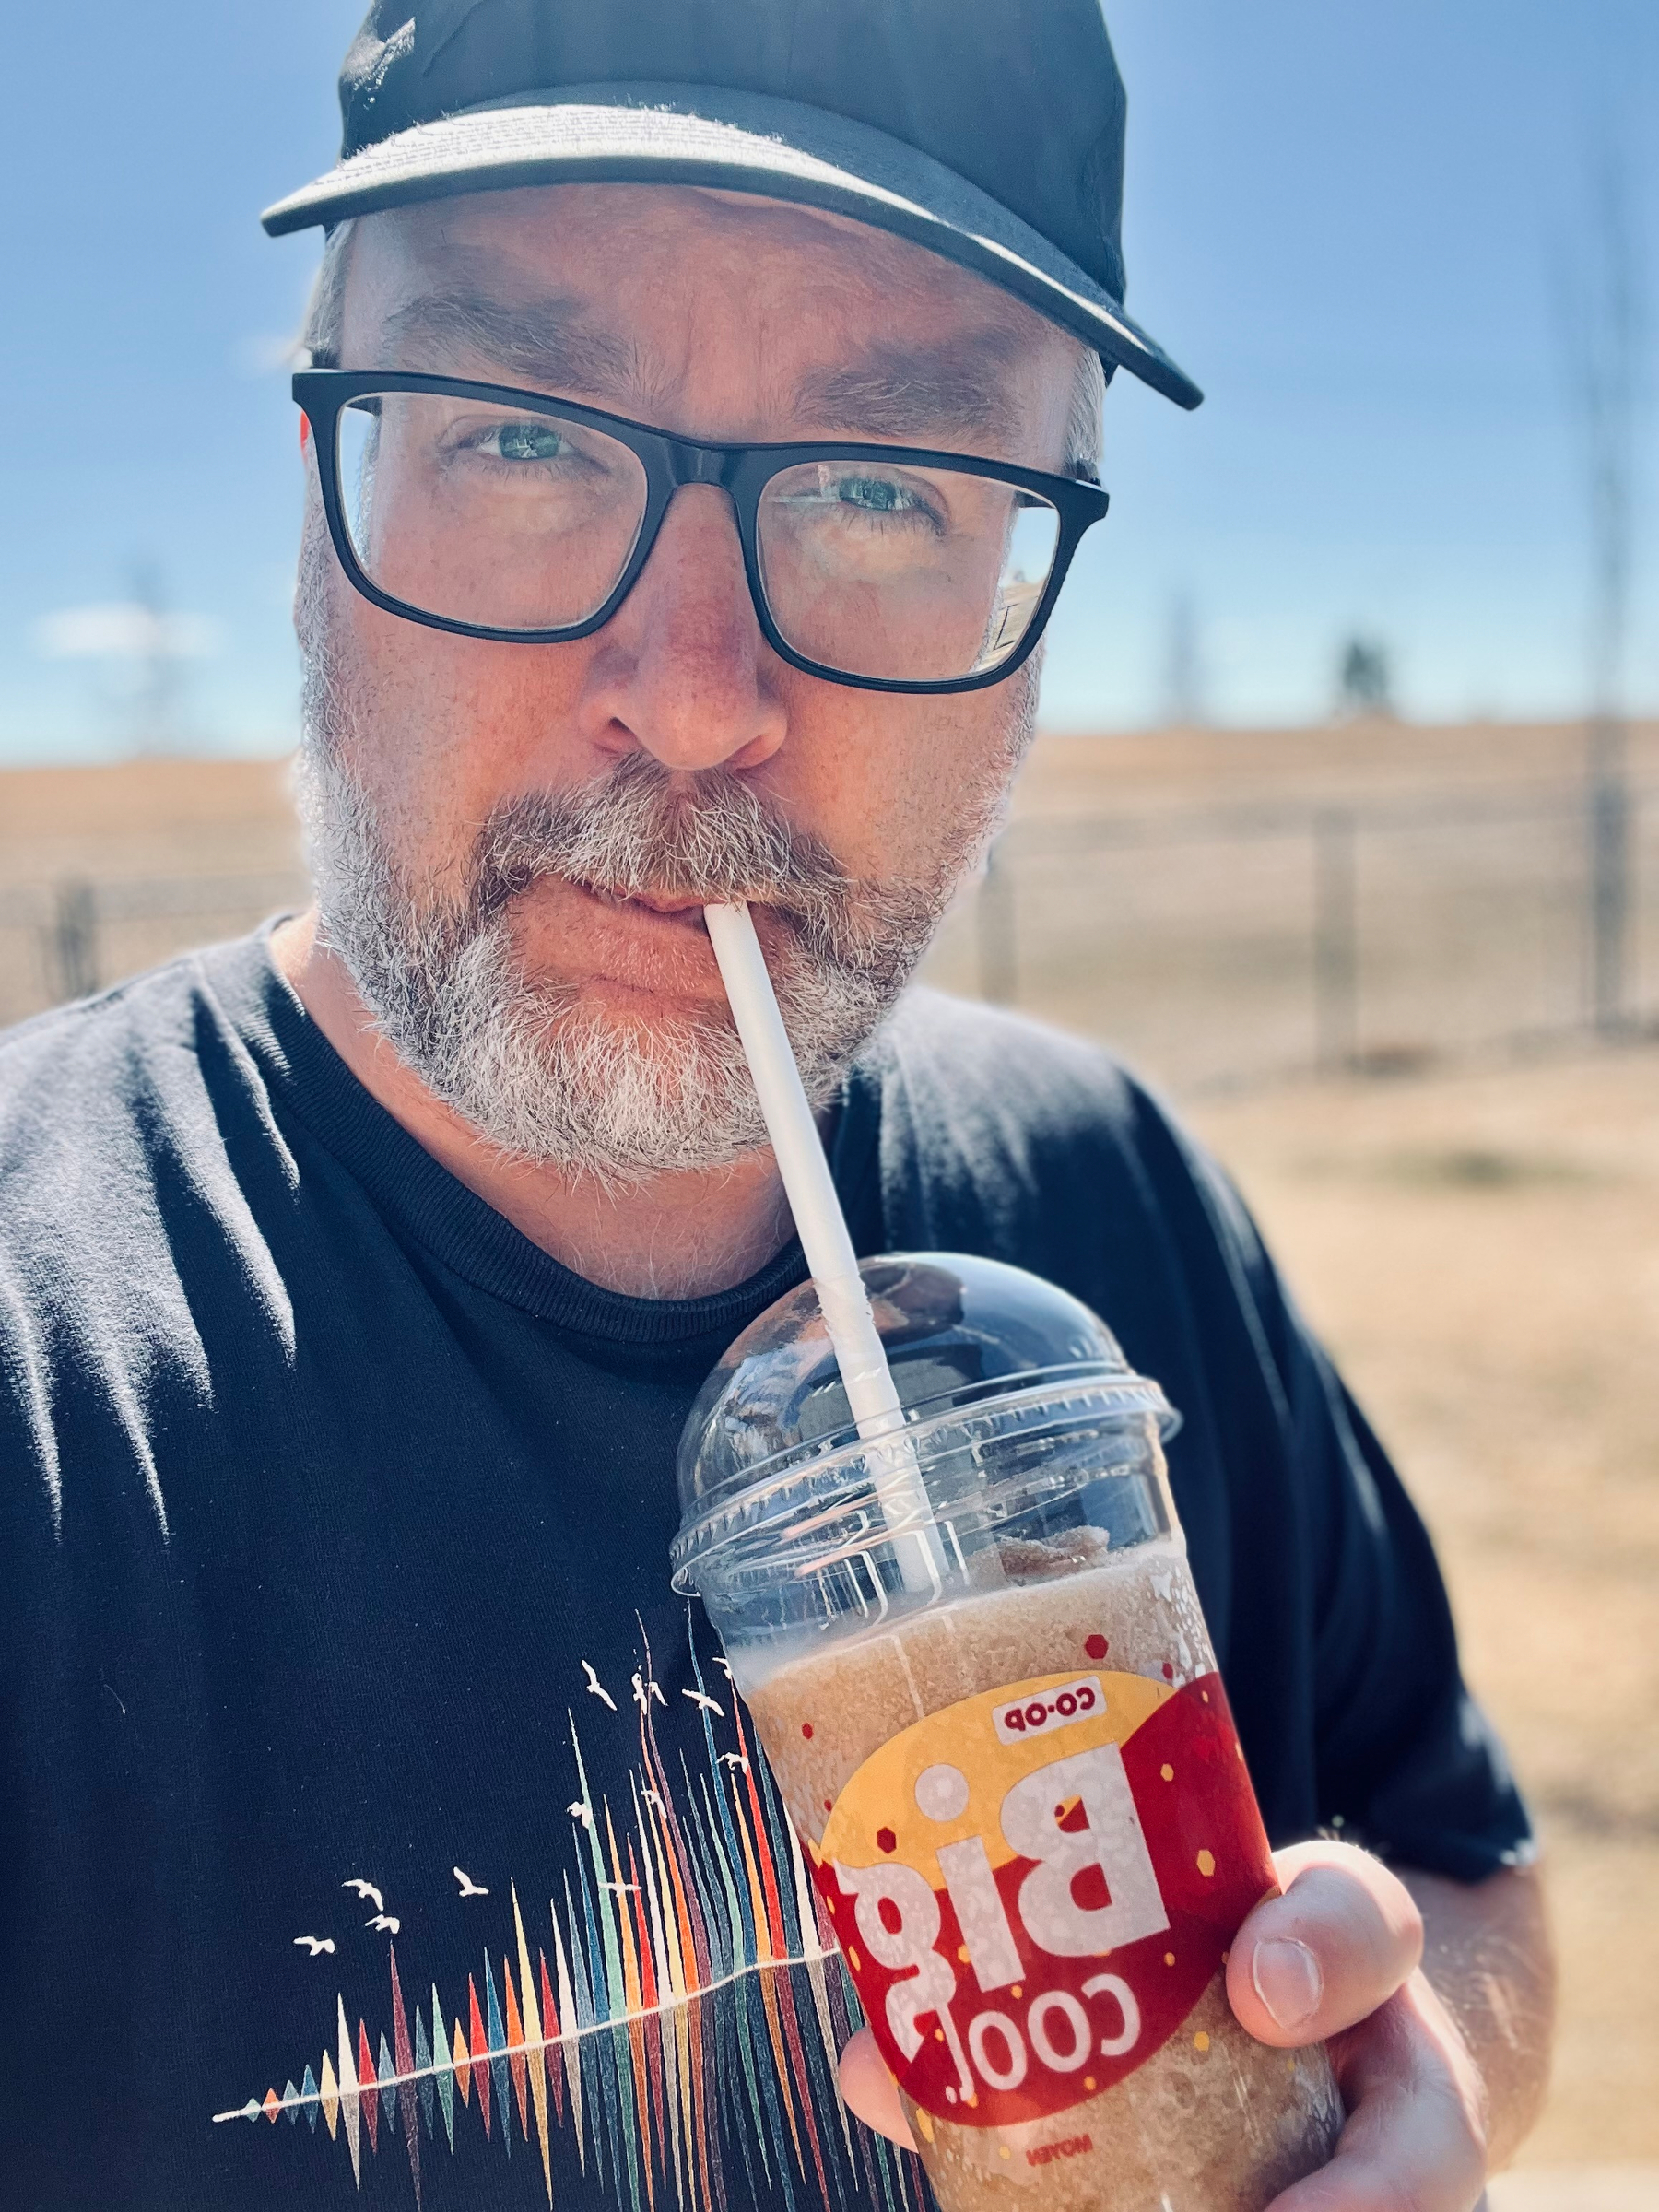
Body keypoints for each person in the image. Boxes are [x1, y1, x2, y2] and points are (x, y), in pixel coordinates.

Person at [0, 3, 1552, 2207]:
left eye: (878, 489)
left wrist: (1423, 2072)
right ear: (320, 490)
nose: (697, 696)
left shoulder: (1107, 1200)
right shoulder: (48, 1377)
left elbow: (1462, 1862)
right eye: (522, 437)